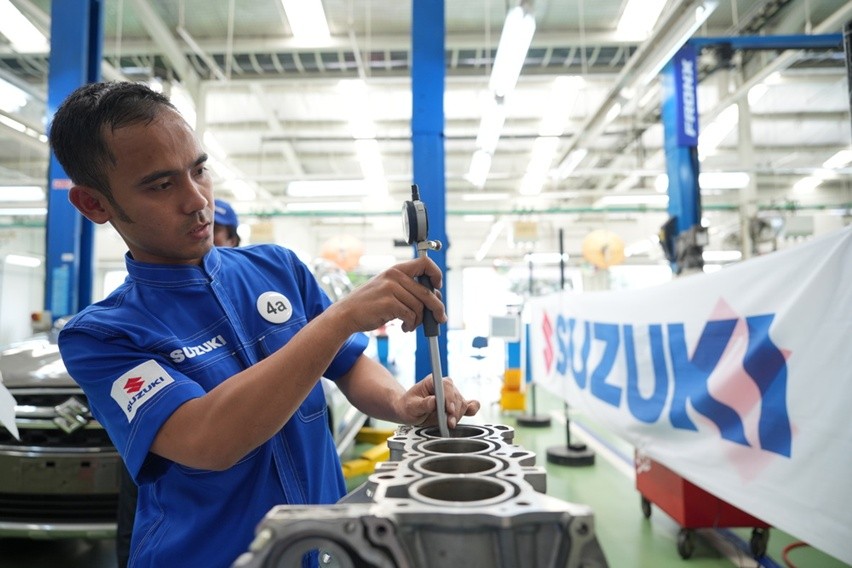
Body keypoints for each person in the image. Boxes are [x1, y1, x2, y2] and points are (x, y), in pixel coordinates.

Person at [48, 81, 480, 568]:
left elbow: (350, 365)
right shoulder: (103, 335)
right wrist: (341, 317)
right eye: (161, 185)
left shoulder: (277, 269)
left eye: (199, 170)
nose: (197, 201)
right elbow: (209, 441)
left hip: (322, 547)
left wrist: (399, 401)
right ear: (94, 205)